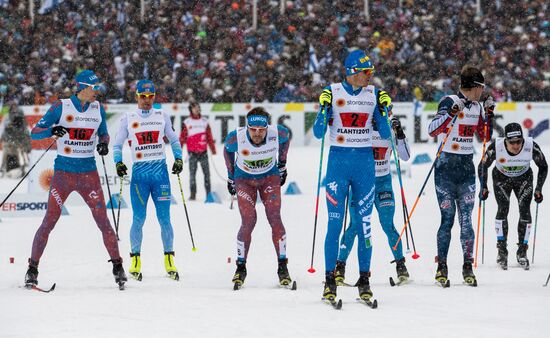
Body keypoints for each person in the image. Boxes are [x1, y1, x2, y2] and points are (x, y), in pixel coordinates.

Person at [25, 70, 127, 289]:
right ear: (82, 87)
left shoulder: (98, 108)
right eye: (94, 88)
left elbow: (104, 133)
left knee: (103, 221)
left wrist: (103, 143)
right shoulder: (60, 107)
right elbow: (35, 132)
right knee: (50, 220)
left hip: (88, 173)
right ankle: (32, 269)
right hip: (63, 174)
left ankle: (118, 267)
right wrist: (52, 129)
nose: (97, 91)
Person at [313, 49, 392, 302]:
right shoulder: (333, 92)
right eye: (366, 72)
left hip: (364, 167)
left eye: (371, 72)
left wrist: (384, 111)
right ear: (352, 73)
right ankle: (329, 280)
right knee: (334, 225)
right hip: (338, 165)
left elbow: (386, 134)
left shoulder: (374, 94)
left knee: (364, 225)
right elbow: (317, 133)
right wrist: (323, 109)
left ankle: (364, 280)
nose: (370, 76)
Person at [428, 65, 494, 286]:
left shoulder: (477, 107)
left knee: (466, 221)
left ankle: (468, 266)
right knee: (447, 220)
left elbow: (485, 136)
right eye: (481, 87)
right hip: (445, 168)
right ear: (474, 86)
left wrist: (489, 114)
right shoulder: (448, 100)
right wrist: (452, 113)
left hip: (466, 169)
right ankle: (442, 267)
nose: (482, 92)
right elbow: (433, 130)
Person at [113, 79, 184, 281]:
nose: (147, 100)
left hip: (160, 175)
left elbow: (174, 139)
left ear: (154, 96)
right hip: (140, 177)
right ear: (136, 96)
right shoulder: (128, 118)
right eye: (143, 97)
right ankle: (135, 262)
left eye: (150, 96)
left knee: (165, 219)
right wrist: (118, 163)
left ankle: (169, 261)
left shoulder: (162, 115)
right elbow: (117, 145)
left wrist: (178, 158)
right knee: (138, 218)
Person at [335, 115, 411, 285]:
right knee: (355, 226)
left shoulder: (390, 130)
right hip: (361, 184)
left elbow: (405, 156)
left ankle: (401, 266)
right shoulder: (362, 131)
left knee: (387, 225)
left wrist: (399, 133)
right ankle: (339, 267)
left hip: (383, 184)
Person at [223, 107, 291, 289]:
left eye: (262, 130)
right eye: (253, 130)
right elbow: (227, 150)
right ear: (247, 126)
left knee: (274, 217)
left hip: (269, 178)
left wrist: (282, 164)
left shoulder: (279, 132)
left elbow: (286, 140)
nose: (258, 134)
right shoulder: (235, 137)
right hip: (244, 180)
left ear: (267, 127)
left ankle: (283, 266)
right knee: (249, 220)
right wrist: (230, 176)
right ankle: (241, 267)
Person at [478, 122, 547, 270]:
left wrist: (538, 189)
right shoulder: (496, 147)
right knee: (503, 209)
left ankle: (522, 251)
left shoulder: (530, 146)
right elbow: (482, 165)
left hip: (523, 179)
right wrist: (483, 186)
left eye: (519, 142)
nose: (516, 146)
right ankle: (502, 251)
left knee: (525, 211)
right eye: (512, 142)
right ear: (505, 141)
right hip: (501, 179)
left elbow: (543, 166)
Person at [179, 101, 216, 201]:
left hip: (203, 153)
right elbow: (182, 137)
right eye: (195, 107)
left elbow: (209, 136)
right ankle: (193, 194)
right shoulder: (187, 122)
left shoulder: (204, 121)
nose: (197, 109)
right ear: (191, 109)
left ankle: (208, 194)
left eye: (198, 107)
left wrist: (213, 149)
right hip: (192, 153)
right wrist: (179, 150)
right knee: (192, 175)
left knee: (207, 175)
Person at [0, 100, 31, 177]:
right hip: (11, 138)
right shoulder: (7, 116)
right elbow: (4, 127)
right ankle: (7, 169)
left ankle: (22, 168)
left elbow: (25, 129)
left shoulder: (20, 117)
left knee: (21, 153)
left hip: (17, 138)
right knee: (9, 153)